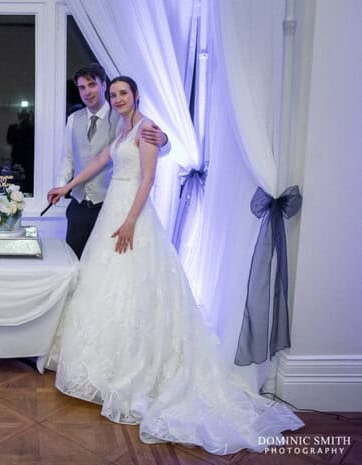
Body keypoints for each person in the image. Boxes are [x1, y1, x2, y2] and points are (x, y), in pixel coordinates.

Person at [45, 76, 303, 454]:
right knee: (107, 288)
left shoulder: (147, 129)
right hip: (113, 210)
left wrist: (131, 220)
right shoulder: (122, 129)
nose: (117, 99)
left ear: (135, 96)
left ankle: (133, 369)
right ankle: (104, 369)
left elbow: (148, 178)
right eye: (113, 94)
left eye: (122, 93)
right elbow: (102, 161)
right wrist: (66, 187)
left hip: (131, 213)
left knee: (133, 288)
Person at [57, 63, 169, 258]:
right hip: (80, 204)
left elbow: (152, 161)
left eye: (92, 85)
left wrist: (164, 139)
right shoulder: (75, 119)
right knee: (78, 264)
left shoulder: (123, 117)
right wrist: (63, 187)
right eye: (82, 87)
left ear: (103, 86)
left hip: (110, 202)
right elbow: (79, 158)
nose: (87, 92)